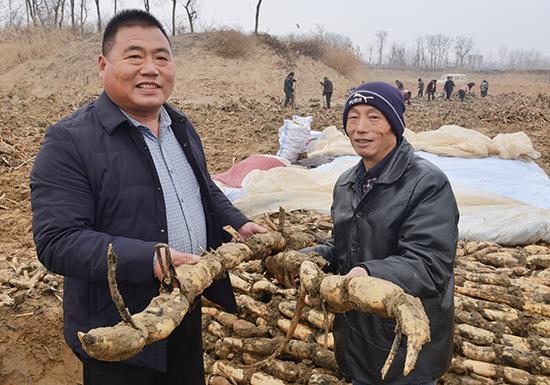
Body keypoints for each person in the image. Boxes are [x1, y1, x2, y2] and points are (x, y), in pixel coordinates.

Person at [30, 10, 266, 385]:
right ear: (103, 64)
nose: (151, 69)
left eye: (161, 57)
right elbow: (58, 242)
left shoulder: (179, 126)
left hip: (184, 305)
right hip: (122, 327)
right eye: (135, 56)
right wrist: (151, 259)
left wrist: (238, 221)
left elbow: (202, 188)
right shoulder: (70, 141)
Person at [306, 82, 458, 385]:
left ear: (394, 124)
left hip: (404, 343)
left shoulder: (427, 184)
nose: (360, 128)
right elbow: (343, 245)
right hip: (356, 337)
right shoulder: (347, 182)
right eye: (353, 118)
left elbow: (430, 264)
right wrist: (308, 258)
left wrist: (367, 270)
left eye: (374, 117)